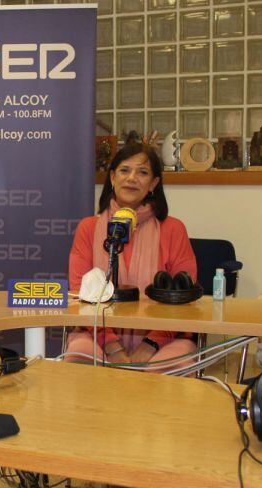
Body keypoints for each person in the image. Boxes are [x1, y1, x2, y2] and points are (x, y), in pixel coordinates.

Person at [66, 142, 198, 367]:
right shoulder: (88, 228)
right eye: (125, 170)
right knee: (80, 357)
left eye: (143, 172)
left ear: (153, 183)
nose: (132, 178)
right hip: (95, 333)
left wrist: (150, 344)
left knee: (174, 364)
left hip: (163, 339)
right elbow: (80, 295)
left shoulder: (174, 229)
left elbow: (183, 300)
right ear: (112, 178)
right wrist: (111, 345)